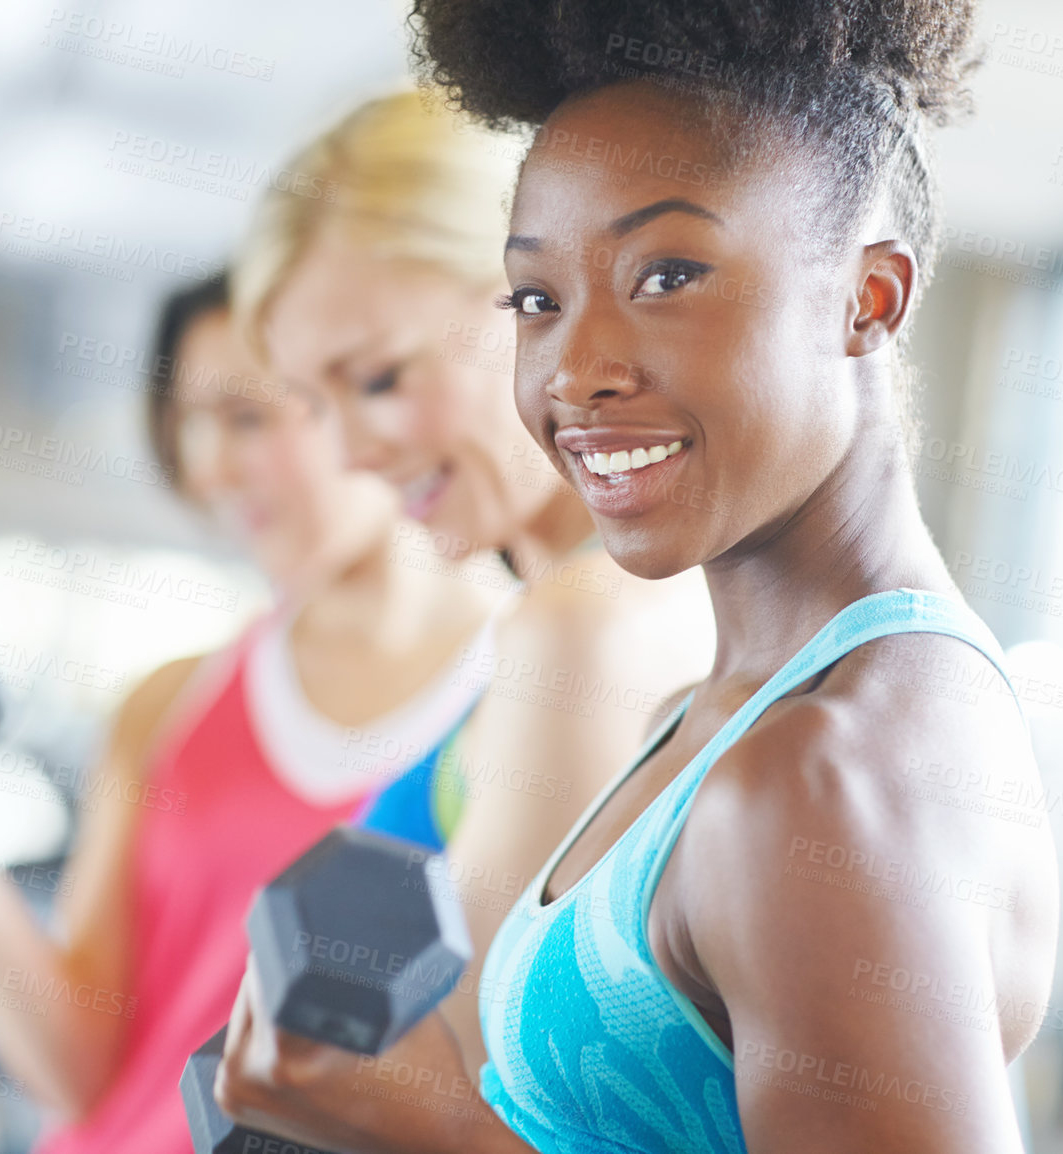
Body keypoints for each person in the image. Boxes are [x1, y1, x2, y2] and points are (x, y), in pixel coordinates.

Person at [211, 2, 1061, 1152]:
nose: (575, 369)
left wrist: (436, 1130)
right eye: (537, 299)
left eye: (667, 275)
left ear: (868, 299)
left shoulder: (821, 771)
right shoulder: (708, 723)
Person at [0, 271, 500, 1154]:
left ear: (363, 396)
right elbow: (74, 1070)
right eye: (193, 428)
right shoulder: (171, 703)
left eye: (249, 417)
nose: (210, 468)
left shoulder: (520, 702)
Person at [222, 88, 718, 1085]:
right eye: (318, 403)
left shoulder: (583, 623)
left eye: (378, 379)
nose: (353, 452)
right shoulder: (595, 603)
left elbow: (472, 1093)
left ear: (545, 292)